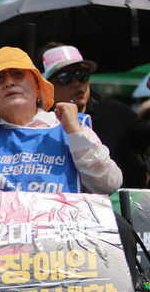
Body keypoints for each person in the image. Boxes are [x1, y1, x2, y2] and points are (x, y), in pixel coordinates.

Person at [0, 46, 121, 194]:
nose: (9, 82)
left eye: (18, 74)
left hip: (63, 227)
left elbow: (108, 184)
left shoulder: (69, 124)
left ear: (37, 87)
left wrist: (75, 133)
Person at [40, 43, 150, 188]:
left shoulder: (114, 111)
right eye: (65, 78)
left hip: (123, 201)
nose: (77, 83)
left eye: (82, 75)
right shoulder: (39, 126)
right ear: (45, 86)